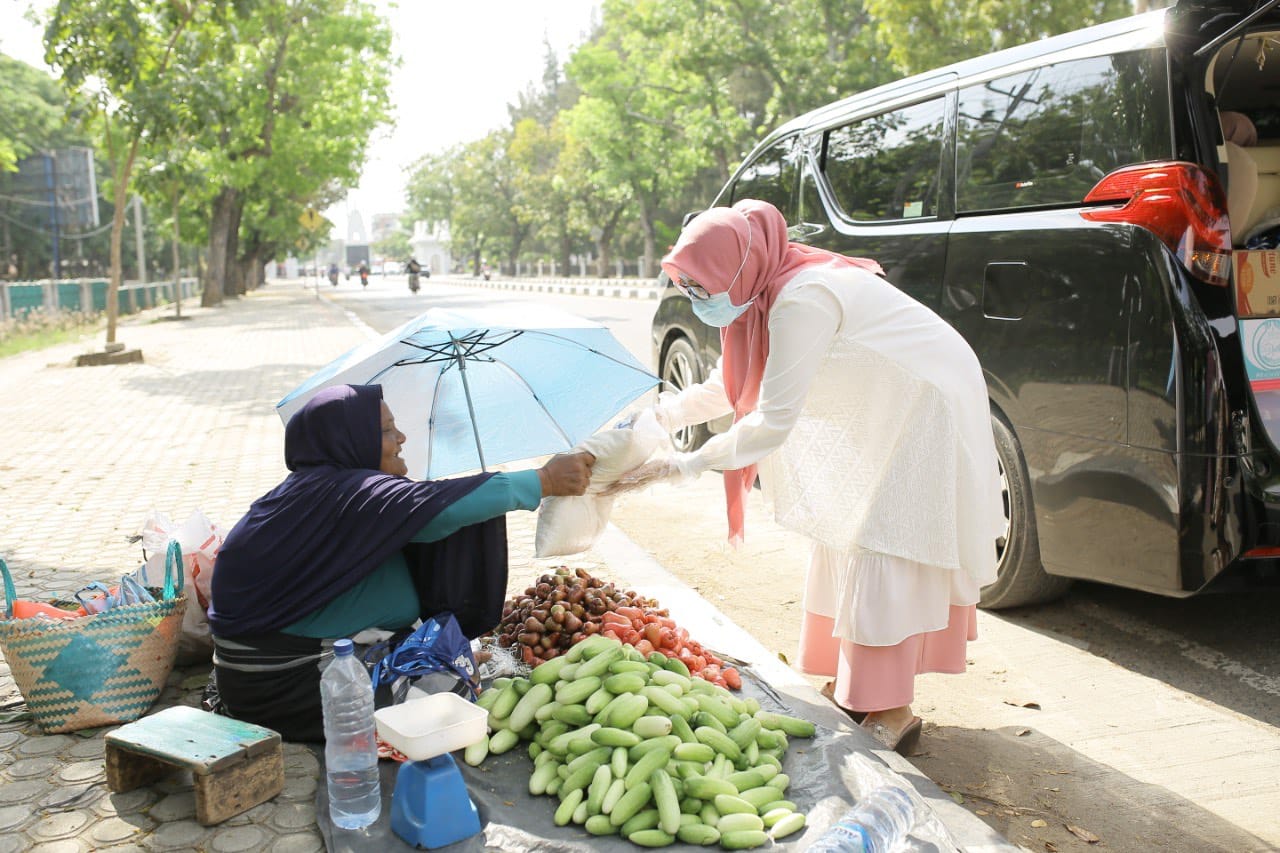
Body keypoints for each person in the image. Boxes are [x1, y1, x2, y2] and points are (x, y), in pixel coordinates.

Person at [608, 200, 1004, 755]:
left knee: (881, 539)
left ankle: (893, 709)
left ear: (739, 266)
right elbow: (731, 387)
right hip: (887, 401)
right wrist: (659, 419)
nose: (698, 301)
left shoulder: (801, 297)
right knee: (846, 531)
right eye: (690, 288)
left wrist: (682, 464)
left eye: (704, 287)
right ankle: (857, 686)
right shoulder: (759, 295)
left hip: (923, 402)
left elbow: (772, 418)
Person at [208, 384, 594, 741]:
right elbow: (436, 512)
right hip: (284, 684)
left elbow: (417, 519)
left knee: (451, 660)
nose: (401, 438)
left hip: (260, 674)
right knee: (450, 698)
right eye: (388, 430)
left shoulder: (320, 491)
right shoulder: (346, 495)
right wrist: (543, 479)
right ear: (351, 441)